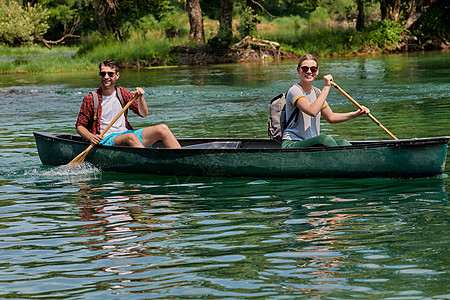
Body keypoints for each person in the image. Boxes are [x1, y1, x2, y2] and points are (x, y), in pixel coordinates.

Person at [76, 59, 180, 149]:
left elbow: (143, 114)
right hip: (106, 138)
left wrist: (140, 97)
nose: (106, 77)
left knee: (162, 129)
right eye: (103, 73)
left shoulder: (122, 93)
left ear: (117, 76)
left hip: (126, 133)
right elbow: (80, 126)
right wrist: (91, 137)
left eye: (110, 74)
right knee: (131, 137)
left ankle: (181, 158)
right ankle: (148, 162)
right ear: (100, 75)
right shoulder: (91, 98)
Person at [282, 54, 370, 148]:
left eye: (313, 69)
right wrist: (327, 87)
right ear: (298, 70)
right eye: (304, 69)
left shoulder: (317, 92)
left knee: (343, 142)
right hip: (292, 143)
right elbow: (312, 111)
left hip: (311, 144)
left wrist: (355, 114)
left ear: (317, 71)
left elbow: (331, 117)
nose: (309, 71)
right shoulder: (295, 90)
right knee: (324, 139)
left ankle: (353, 160)